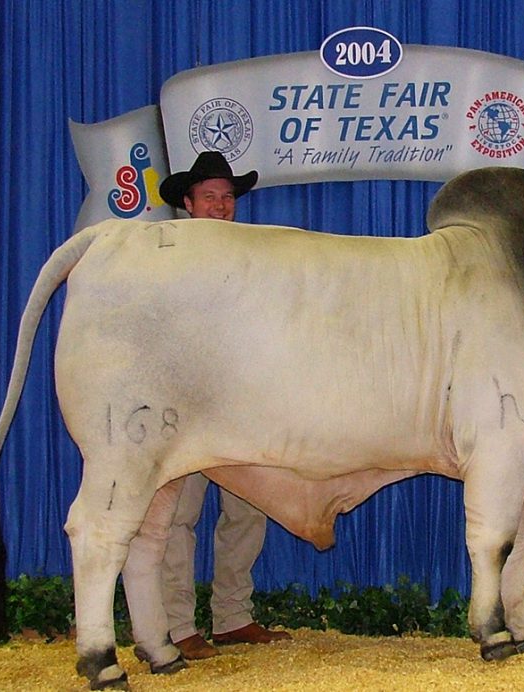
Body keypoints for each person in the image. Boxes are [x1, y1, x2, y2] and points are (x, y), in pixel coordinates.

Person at [157, 151, 290, 659]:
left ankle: (233, 616)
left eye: (227, 197)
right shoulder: (165, 258)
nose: (220, 205)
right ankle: (176, 625)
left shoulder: (251, 257)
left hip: (240, 404)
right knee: (177, 517)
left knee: (248, 509)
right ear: (187, 203)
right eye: (209, 196)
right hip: (186, 407)